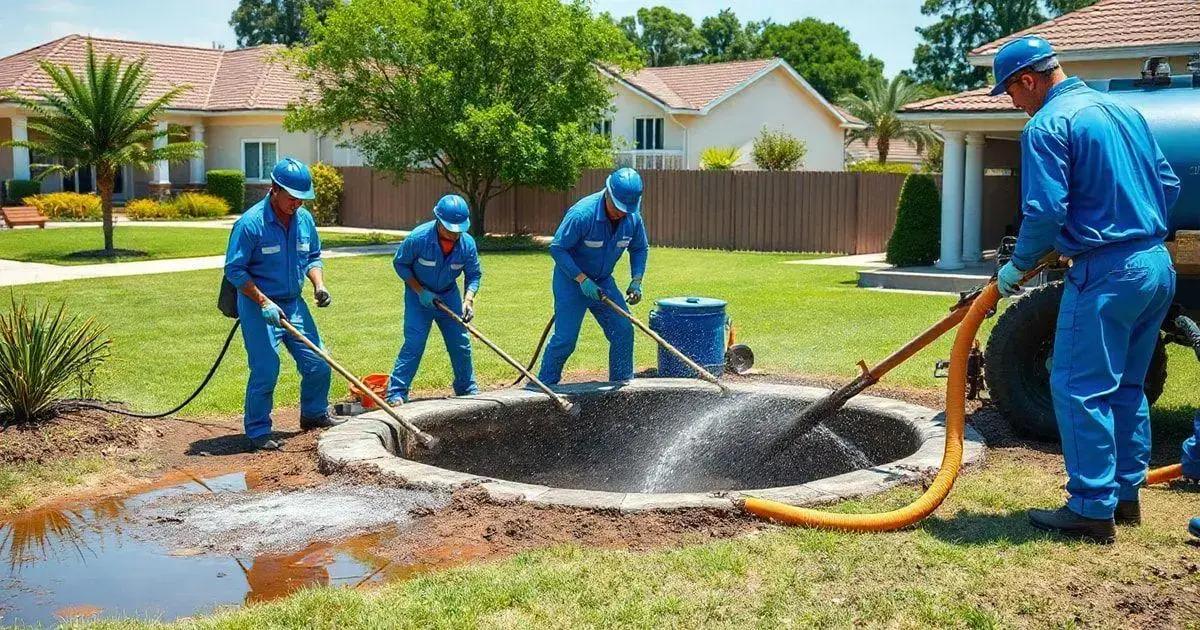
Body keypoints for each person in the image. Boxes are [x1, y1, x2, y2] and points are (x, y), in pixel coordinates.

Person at [991, 36, 1180, 543]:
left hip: (1106, 271)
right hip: (1155, 265)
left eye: (1009, 91)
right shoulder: (1125, 112)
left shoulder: (1048, 124)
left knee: (1078, 386)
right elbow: (1170, 185)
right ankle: (1124, 495)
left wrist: (1018, 265)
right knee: (1126, 385)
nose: (1012, 102)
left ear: (1028, 80)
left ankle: (1090, 509)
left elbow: (1045, 210)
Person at [224, 158, 343, 451]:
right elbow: (235, 270)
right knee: (266, 368)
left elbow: (313, 255)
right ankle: (258, 430)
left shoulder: (304, 220)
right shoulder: (251, 223)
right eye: (292, 198)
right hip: (257, 304)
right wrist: (263, 301)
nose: (297, 205)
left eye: (302, 199)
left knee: (318, 361)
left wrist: (319, 284)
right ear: (274, 189)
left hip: (293, 302)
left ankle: (314, 415)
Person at [537, 167, 649, 385]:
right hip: (571, 282)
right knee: (565, 340)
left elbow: (640, 248)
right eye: (618, 207)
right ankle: (543, 387)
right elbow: (558, 248)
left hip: (603, 281)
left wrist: (636, 281)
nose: (621, 213)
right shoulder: (582, 215)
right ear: (608, 193)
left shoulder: (632, 218)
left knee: (623, 330)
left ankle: (621, 387)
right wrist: (581, 279)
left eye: (626, 209)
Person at [386, 194, 481, 404]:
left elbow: (474, 274)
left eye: (459, 230)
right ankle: (397, 392)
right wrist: (420, 291)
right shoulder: (418, 239)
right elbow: (400, 264)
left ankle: (466, 387)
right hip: (418, 296)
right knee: (415, 342)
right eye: (450, 229)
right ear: (438, 220)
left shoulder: (467, 245)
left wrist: (468, 299)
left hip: (449, 295)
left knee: (461, 343)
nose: (455, 235)